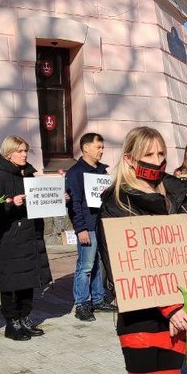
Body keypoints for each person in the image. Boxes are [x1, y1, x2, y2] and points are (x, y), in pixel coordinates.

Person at [95, 127, 187, 374]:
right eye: (149, 155)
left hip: (179, 311)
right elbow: (127, 266)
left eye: (161, 155)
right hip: (140, 313)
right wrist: (168, 309)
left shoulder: (176, 196)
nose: (157, 162)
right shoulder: (116, 203)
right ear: (131, 159)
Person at [0, 136, 52, 341]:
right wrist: (10, 202)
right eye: (20, 151)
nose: (25, 154)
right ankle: (12, 322)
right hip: (10, 235)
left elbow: (39, 199)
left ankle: (25, 317)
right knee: (11, 280)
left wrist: (57, 198)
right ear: (9, 154)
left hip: (31, 232)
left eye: (26, 150)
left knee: (29, 277)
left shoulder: (29, 173)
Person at [65, 133, 114, 322]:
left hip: (102, 225)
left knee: (98, 263)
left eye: (102, 147)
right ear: (86, 148)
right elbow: (74, 203)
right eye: (98, 147)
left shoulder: (102, 171)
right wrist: (81, 229)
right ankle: (82, 304)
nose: (101, 151)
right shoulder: (75, 173)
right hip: (87, 225)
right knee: (85, 266)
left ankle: (98, 299)